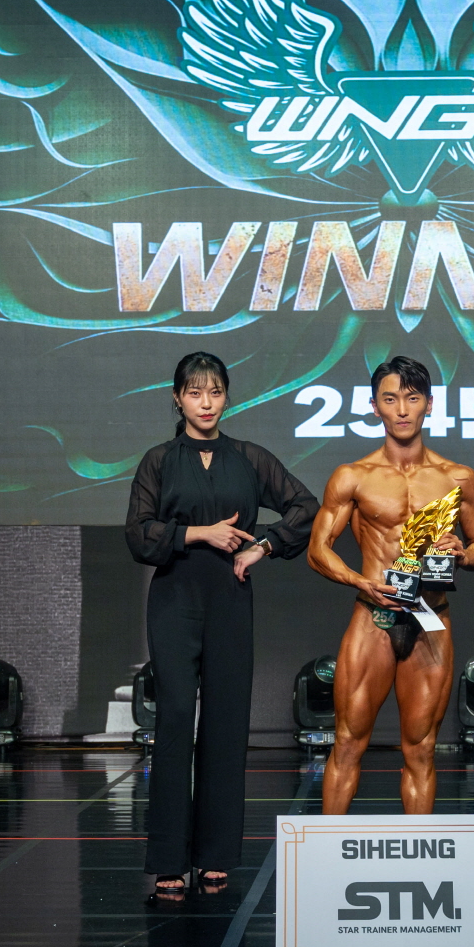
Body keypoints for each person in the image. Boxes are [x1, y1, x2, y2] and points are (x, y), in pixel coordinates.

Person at [126, 352, 319, 897]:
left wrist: (264, 546)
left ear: (226, 397)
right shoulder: (159, 461)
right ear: (177, 399)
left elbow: (305, 507)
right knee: (173, 722)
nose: (206, 403)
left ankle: (215, 855)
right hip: (174, 599)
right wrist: (198, 534)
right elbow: (137, 533)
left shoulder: (249, 458)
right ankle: (169, 858)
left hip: (231, 599)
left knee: (227, 723)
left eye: (214, 392)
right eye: (194, 393)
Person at [308, 355, 474, 815]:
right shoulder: (353, 476)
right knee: (347, 742)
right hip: (373, 615)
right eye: (390, 399)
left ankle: (420, 850)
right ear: (374, 407)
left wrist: (463, 554)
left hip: (430, 616)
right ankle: (328, 849)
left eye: (412, 398)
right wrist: (361, 581)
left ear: (429, 404)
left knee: (422, 747)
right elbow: (317, 549)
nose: (402, 410)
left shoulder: (458, 478)